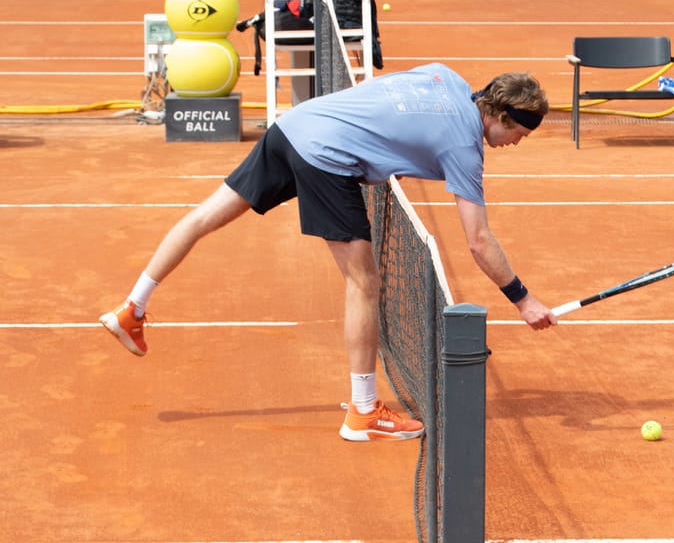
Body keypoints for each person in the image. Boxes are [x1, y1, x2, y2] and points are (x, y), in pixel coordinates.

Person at [98, 65, 556, 442]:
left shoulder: (447, 78)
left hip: (293, 127)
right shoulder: (464, 148)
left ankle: (132, 307)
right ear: (503, 118)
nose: (516, 143)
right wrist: (523, 299)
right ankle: (362, 413)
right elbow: (478, 240)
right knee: (365, 283)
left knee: (203, 217)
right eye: (519, 134)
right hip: (326, 158)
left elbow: (396, 113)